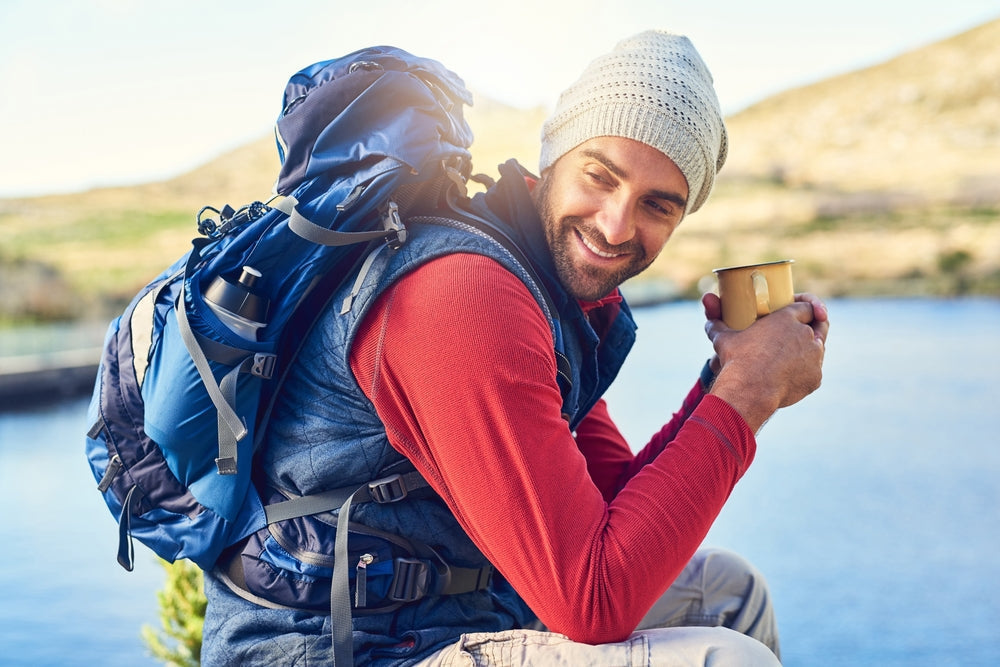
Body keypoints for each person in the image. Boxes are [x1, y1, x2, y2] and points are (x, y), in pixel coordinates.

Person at [201, 30, 829, 666]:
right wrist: (749, 393)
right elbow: (592, 602)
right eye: (600, 176)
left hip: (447, 621)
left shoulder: (547, 296)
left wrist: (728, 375)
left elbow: (612, 517)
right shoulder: (466, 296)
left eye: (656, 206)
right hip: (335, 650)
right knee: (724, 660)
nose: (616, 225)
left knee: (728, 593)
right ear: (552, 156)